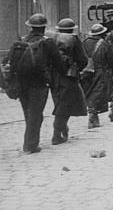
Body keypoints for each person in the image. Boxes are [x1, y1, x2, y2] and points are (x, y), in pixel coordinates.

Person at [8, 13, 65, 154]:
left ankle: (31, 141)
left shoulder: (20, 42)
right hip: (39, 83)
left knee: (28, 112)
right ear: (44, 28)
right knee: (35, 113)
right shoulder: (47, 43)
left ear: (30, 27)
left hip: (21, 84)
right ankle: (30, 145)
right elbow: (59, 64)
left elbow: (10, 61)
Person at [49, 18, 88, 144]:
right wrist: (76, 69)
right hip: (68, 77)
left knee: (59, 102)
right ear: (72, 29)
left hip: (53, 76)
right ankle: (57, 134)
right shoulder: (74, 40)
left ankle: (62, 128)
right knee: (65, 105)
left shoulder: (51, 39)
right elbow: (83, 59)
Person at [82, 23, 113, 128]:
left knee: (90, 92)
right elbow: (112, 60)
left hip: (87, 72)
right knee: (98, 93)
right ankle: (92, 116)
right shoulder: (105, 44)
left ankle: (95, 118)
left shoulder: (84, 43)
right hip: (100, 72)